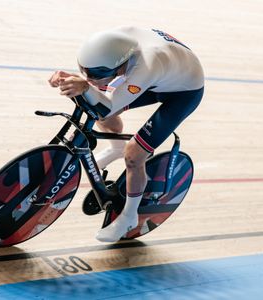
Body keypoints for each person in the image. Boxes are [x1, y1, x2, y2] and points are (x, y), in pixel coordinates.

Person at [48, 26, 204, 242]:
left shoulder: (146, 67)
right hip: (166, 73)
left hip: (183, 92)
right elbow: (97, 92)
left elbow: (106, 107)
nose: (91, 78)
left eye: (97, 74)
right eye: (85, 71)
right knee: (98, 105)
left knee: (133, 154)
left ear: (121, 65)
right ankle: (115, 149)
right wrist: (76, 80)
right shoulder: (116, 42)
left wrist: (85, 87)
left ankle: (129, 216)